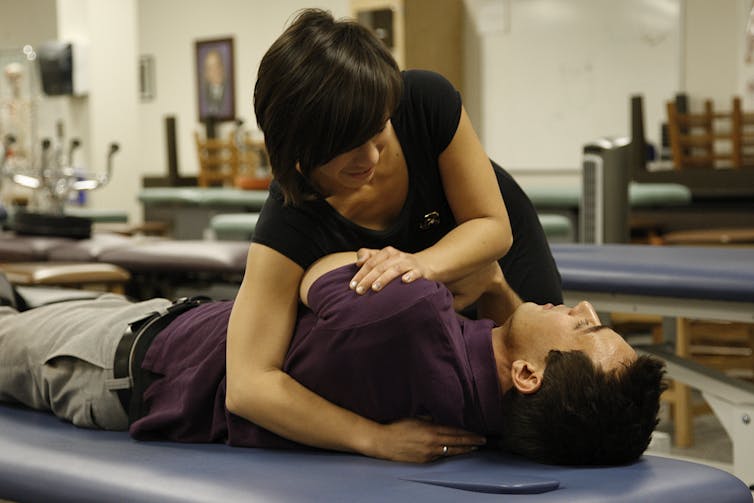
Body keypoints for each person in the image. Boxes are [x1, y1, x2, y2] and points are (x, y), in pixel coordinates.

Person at [227, 8, 563, 463]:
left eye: (378, 130)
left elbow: (492, 227)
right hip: (434, 311)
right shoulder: (290, 221)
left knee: (552, 386)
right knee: (484, 418)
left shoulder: (424, 100)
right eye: (347, 147)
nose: (370, 158)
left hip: (491, 242)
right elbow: (247, 385)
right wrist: (372, 438)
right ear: (300, 150)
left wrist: (422, 264)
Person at [0, 256, 665, 466]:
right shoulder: (483, 432)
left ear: (529, 375)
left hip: (119, 360)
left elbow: (311, 270)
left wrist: (414, 263)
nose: (579, 306)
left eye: (586, 327)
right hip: (168, 329)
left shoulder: (409, 312)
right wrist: (496, 294)